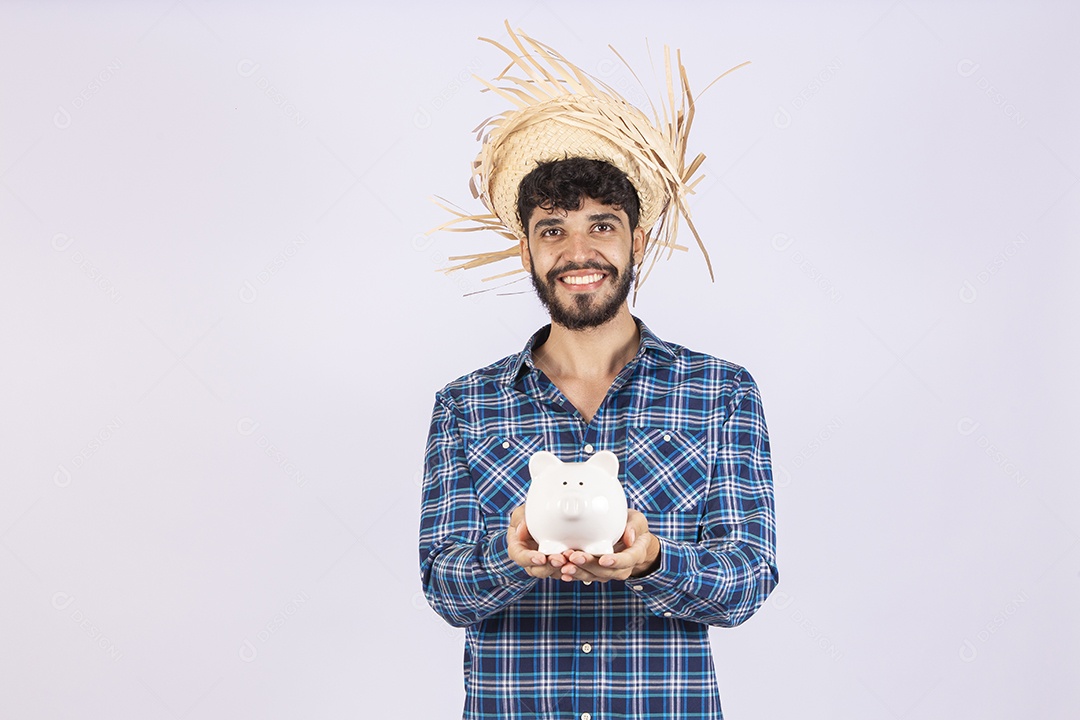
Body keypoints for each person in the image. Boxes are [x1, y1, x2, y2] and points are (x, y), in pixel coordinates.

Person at [418, 25, 778, 720]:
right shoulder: (466, 405)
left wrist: (652, 561)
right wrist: (507, 556)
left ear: (638, 239)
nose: (578, 251)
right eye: (552, 228)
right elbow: (442, 585)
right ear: (526, 249)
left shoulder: (721, 393)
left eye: (602, 226)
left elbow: (748, 579)